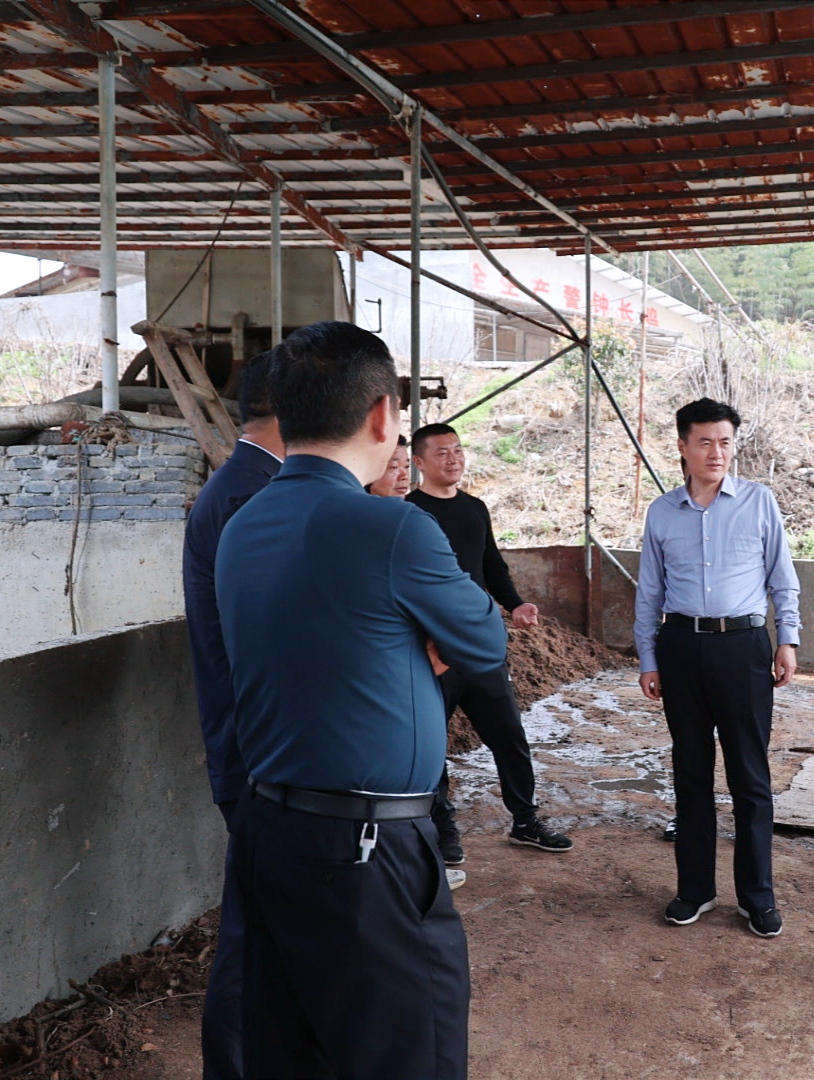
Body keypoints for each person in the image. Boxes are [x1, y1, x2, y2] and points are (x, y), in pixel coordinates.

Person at [216, 321, 507, 1079]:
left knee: (291, 1051)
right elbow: (485, 642)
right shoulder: (389, 526)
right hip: (366, 849)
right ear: (382, 416)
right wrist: (420, 636)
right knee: (407, 1054)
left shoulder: (241, 524)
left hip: (269, 828)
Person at [635, 397, 801, 938]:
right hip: (681, 646)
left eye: (725, 441)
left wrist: (787, 640)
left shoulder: (758, 502)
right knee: (690, 772)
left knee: (750, 775)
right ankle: (695, 889)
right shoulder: (662, 512)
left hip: (743, 647)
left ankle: (757, 896)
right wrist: (648, 657)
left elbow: (782, 578)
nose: (716, 452)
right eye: (704, 441)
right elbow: (649, 592)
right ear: (683, 447)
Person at [181, 348, 281, 1080]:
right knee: (253, 930)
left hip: (251, 740)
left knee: (267, 925)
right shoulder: (253, 497)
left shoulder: (247, 484)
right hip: (257, 749)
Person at [407, 422, 572, 854]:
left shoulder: (474, 508)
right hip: (430, 648)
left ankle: (526, 821)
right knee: (432, 744)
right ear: (419, 462)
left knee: (509, 735)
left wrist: (515, 604)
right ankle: (442, 829)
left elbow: (491, 565)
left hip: (479, 644)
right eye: (442, 452)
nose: (454, 458)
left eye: (458, 450)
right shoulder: (409, 512)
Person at [366, 436, 467, 892]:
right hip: (394, 670)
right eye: (393, 465)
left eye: (405, 464)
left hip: (415, 662)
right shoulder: (394, 525)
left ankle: (426, 854)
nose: (402, 473)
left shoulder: (410, 519)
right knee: (401, 767)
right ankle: (418, 864)